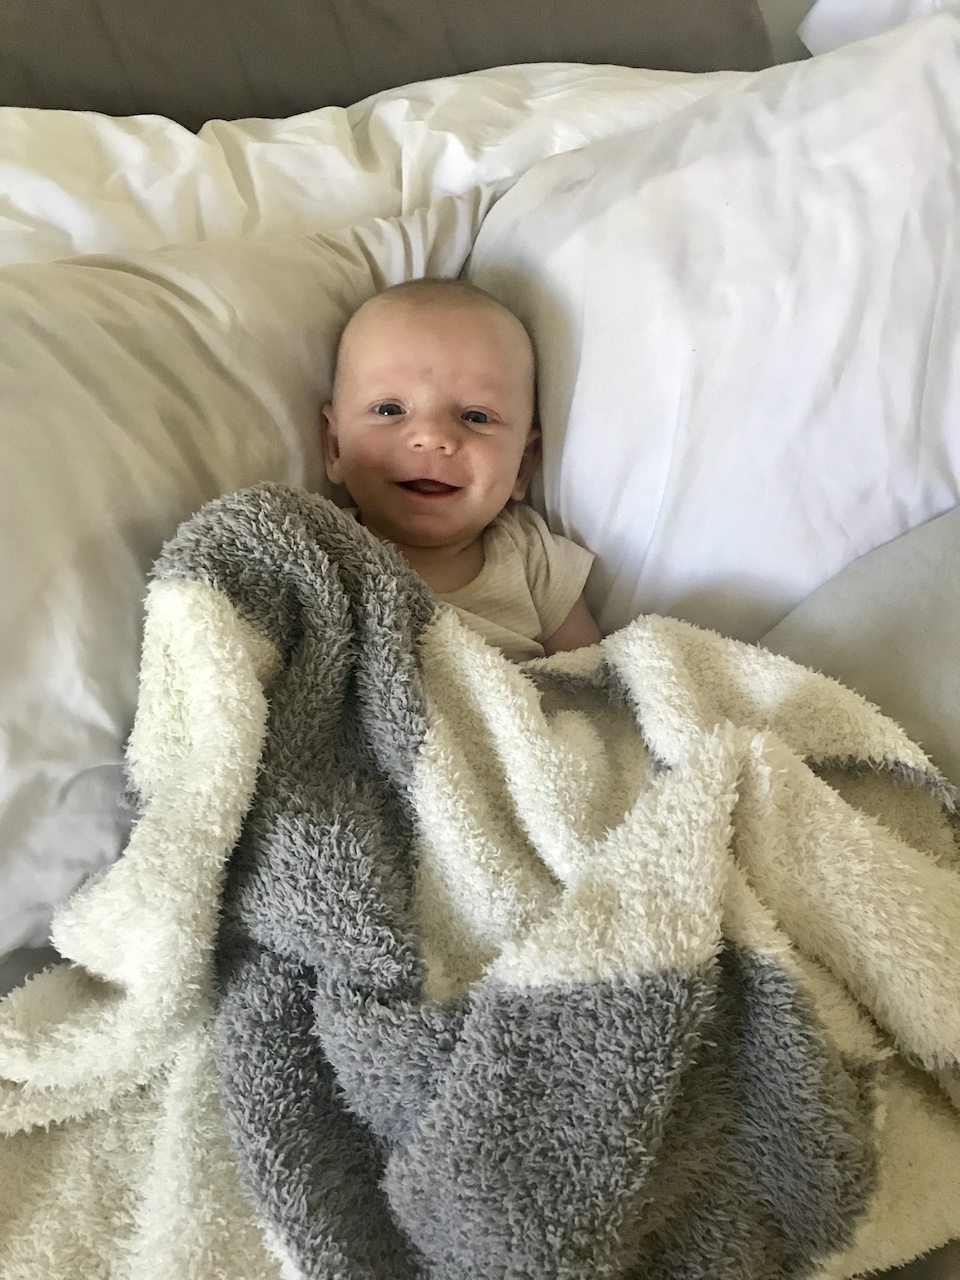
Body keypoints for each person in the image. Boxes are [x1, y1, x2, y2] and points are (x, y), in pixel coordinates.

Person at [321, 277, 602, 659]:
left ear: (523, 465)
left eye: (476, 416)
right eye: (389, 410)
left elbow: (592, 677)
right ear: (335, 446)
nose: (432, 437)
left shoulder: (537, 562)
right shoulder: (318, 550)